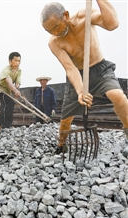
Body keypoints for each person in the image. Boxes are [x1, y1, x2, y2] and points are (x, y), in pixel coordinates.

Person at [40, 1, 128, 153]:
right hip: (77, 74)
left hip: (100, 69)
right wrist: (80, 91)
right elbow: (70, 68)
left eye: (56, 27)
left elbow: (112, 24)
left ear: (65, 15)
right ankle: (61, 145)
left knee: (118, 96)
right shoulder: (54, 42)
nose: (54, 33)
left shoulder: (83, 16)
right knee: (66, 118)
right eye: (49, 31)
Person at [0, 52, 22, 131]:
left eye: (19, 61)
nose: (17, 63)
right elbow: (9, 83)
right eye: (15, 60)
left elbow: (17, 81)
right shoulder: (6, 71)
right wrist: (15, 90)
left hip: (8, 92)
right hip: (0, 91)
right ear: (10, 61)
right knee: (9, 102)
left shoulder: (19, 71)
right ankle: (6, 125)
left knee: (4, 106)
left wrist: (17, 88)